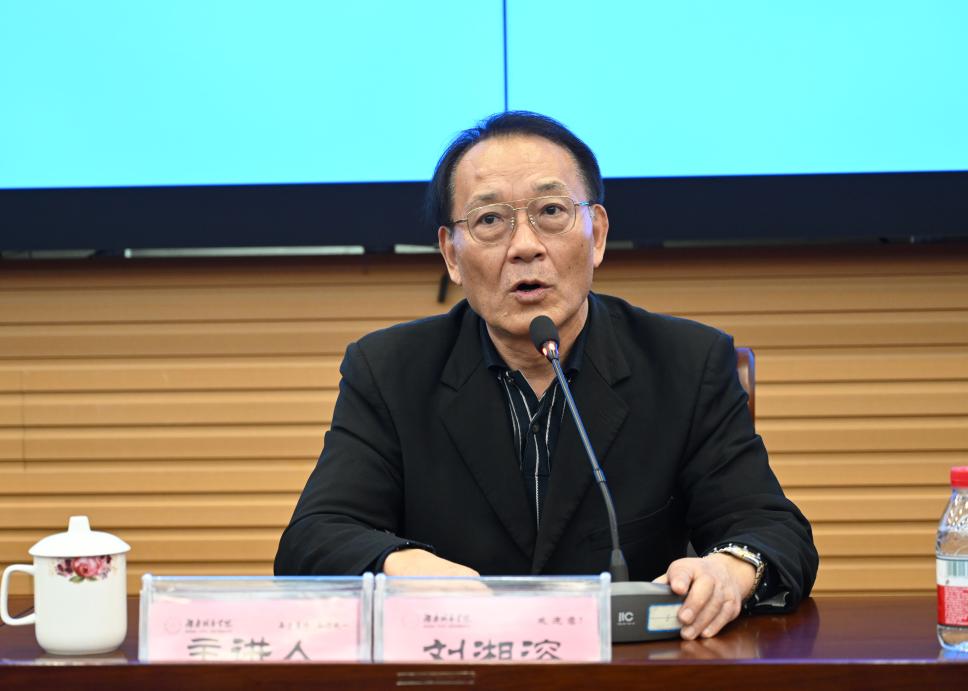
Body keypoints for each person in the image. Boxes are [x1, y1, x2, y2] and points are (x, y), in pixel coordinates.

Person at [275, 112, 818, 640]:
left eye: (551, 211)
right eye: (490, 220)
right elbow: (314, 538)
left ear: (596, 235)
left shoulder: (686, 363)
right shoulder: (390, 370)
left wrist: (729, 570)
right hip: (458, 663)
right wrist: (400, 564)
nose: (525, 246)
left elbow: (772, 530)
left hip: (629, 672)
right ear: (451, 256)